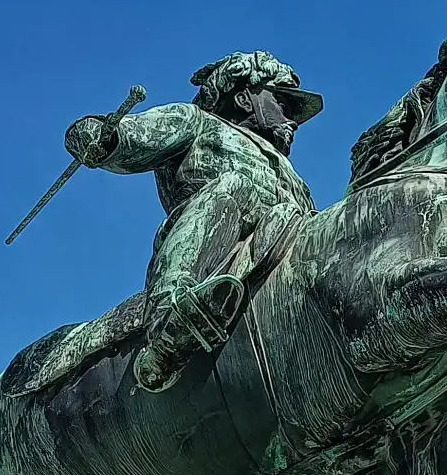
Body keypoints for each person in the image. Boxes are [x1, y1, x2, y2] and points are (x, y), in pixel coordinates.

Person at [63, 50, 322, 392]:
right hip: (214, 244)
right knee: (236, 186)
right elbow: (133, 138)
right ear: (245, 99)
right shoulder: (197, 122)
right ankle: (169, 317)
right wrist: (102, 137)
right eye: (283, 104)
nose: (292, 120)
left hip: (274, 244)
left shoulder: (296, 180)